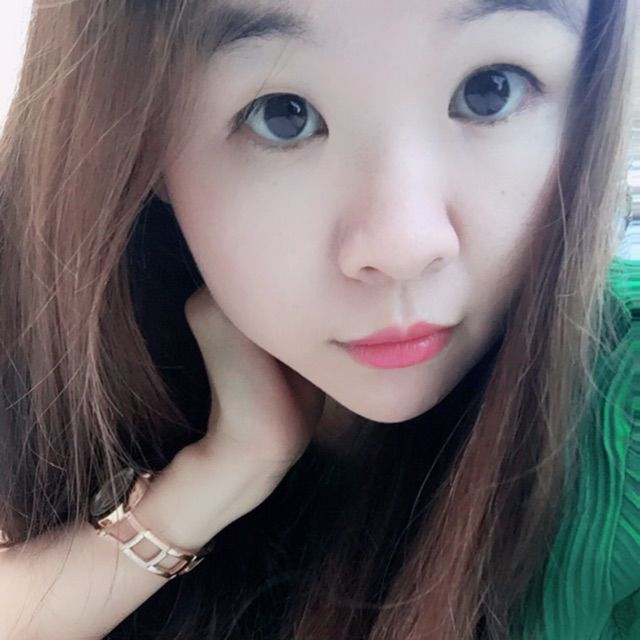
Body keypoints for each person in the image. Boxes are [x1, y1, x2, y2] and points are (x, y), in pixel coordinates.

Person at [0, 0, 637, 638]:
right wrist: (216, 478)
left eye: (490, 90)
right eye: (283, 114)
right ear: (143, 142)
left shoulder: (620, 409)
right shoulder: (49, 365)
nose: (404, 247)